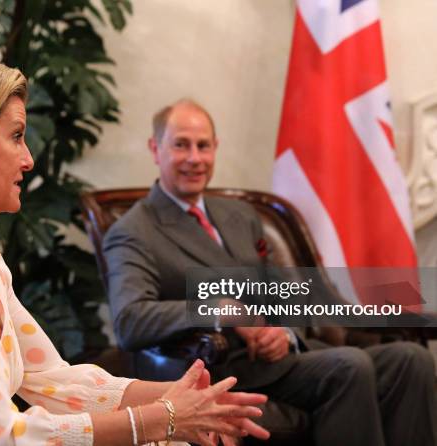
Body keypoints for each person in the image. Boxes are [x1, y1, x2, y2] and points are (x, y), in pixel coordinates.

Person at [0, 53, 270, 446]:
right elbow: (0, 437)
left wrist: (185, 400)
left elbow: (53, 379)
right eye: (16, 136)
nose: (28, 159)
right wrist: (165, 418)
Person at [102, 99, 436, 446]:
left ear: (215, 148)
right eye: (181, 145)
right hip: (227, 368)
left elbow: (284, 293)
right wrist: (221, 309)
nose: (194, 158)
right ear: (156, 149)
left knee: (410, 359)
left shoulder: (240, 215)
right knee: (349, 366)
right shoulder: (134, 230)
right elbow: (130, 319)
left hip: (286, 357)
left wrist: (282, 330)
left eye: (203, 146)